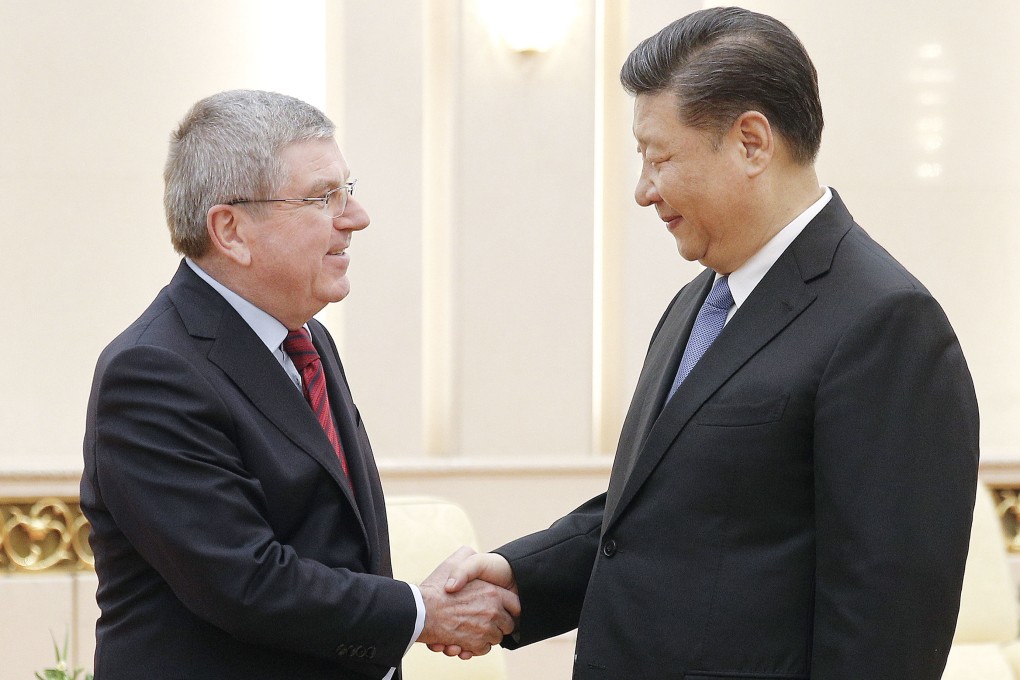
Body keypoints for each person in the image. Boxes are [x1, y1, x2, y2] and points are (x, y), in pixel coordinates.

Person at [442, 7, 980, 679]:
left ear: (751, 142)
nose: (643, 190)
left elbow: (887, 627)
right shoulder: (699, 300)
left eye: (659, 157)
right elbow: (664, 512)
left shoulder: (886, 323)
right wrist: (520, 577)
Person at [80, 89, 517, 680]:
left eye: (348, 190)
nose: (355, 217)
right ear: (231, 230)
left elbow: (337, 543)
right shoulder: (151, 372)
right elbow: (246, 581)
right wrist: (421, 613)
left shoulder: (306, 339)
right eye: (322, 198)